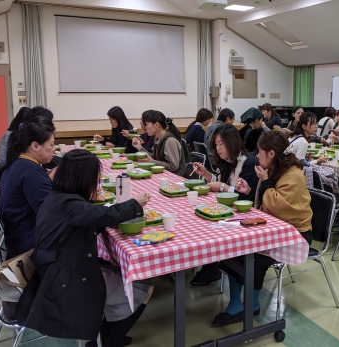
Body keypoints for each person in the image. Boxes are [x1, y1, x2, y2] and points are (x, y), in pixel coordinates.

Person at [15, 149, 151, 346]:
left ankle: (104, 337)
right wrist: (134, 204)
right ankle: (111, 341)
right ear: (83, 179)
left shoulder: (57, 197)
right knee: (143, 287)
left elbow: (92, 219)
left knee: (120, 274)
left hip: (52, 272)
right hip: (66, 282)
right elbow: (106, 215)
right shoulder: (72, 206)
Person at [212, 131, 312, 327]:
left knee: (255, 256)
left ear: (272, 154)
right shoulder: (275, 169)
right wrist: (249, 190)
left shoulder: (294, 175)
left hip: (295, 232)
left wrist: (264, 182)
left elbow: (277, 206)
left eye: (260, 151)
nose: (257, 155)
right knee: (234, 249)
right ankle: (235, 304)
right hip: (274, 228)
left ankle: (252, 305)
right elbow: (268, 203)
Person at [190, 124, 260, 286]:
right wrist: (207, 175)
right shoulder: (226, 161)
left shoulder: (248, 163)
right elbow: (221, 184)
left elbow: (244, 196)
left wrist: (222, 187)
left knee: (209, 227)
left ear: (233, 143)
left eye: (222, 144)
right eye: (216, 144)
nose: (218, 148)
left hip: (244, 217)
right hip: (227, 211)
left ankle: (212, 268)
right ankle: (211, 267)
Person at [0, 116, 56, 259]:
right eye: (51, 145)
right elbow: (52, 216)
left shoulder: (19, 163)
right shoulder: (31, 172)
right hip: (29, 249)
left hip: (17, 239)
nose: (54, 150)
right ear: (35, 146)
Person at [131, 111, 186, 176]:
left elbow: (173, 166)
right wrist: (139, 147)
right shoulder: (157, 138)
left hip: (174, 178)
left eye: (147, 124)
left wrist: (152, 161)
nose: (145, 128)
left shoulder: (170, 141)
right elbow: (154, 158)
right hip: (163, 175)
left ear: (156, 125)